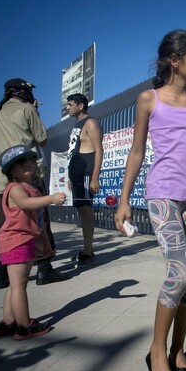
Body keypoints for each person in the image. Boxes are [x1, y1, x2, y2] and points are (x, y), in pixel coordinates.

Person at [115, 29, 186, 371]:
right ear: (175, 61)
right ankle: (156, 351)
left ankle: (178, 351)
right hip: (163, 194)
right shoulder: (149, 99)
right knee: (178, 272)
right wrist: (124, 200)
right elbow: (136, 152)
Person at [0, 78, 68, 289]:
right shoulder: (26, 110)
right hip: (27, 177)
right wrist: (36, 113)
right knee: (39, 222)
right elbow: (42, 140)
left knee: (0, 226)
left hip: (0, 180)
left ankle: (0, 274)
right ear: (22, 93)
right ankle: (44, 269)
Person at [0, 145, 66, 340]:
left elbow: (38, 219)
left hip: (23, 240)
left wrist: (44, 241)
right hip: (15, 241)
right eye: (20, 163)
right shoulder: (15, 189)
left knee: (16, 284)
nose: (28, 163)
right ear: (12, 172)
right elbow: (26, 205)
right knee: (19, 285)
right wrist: (51, 198)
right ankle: (24, 325)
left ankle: (8, 322)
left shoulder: (31, 189)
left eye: (30, 160)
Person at [66, 93, 103, 265]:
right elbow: (74, 151)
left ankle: (88, 252)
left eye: (70, 104)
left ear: (80, 106)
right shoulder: (77, 124)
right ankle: (86, 249)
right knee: (81, 210)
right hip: (76, 175)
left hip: (87, 174)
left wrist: (94, 177)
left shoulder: (91, 123)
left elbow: (99, 150)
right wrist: (70, 176)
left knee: (87, 211)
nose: (67, 107)